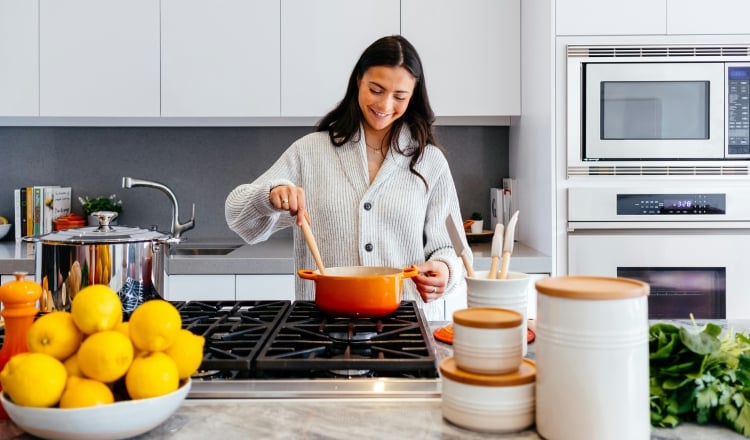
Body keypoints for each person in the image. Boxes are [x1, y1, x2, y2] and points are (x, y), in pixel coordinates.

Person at [225, 35, 470, 320]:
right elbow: (237, 217)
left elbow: (451, 247)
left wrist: (444, 270)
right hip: (320, 328)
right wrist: (269, 196)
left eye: (400, 96)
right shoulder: (311, 152)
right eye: (376, 89)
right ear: (358, 81)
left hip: (402, 329)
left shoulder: (429, 161)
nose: (385, 104)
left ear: (413, 95)